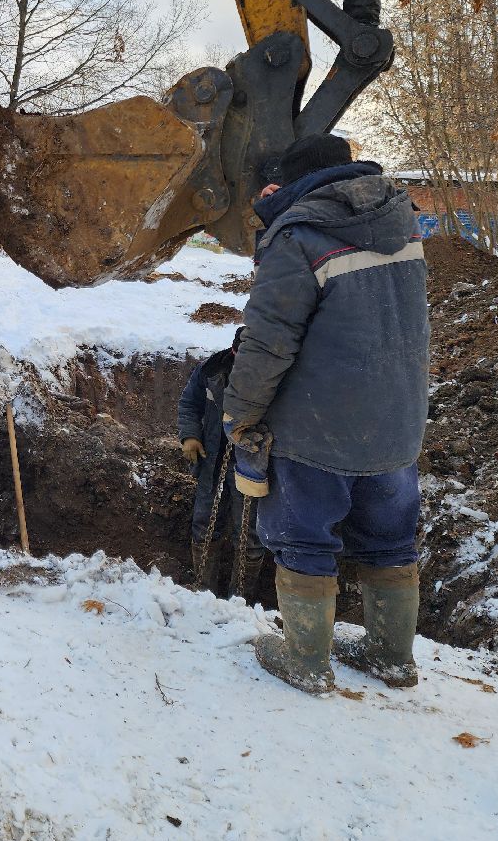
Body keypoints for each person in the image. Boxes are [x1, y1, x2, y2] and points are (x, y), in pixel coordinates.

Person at [223, 133, 429, 694]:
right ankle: (392, 655)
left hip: (318, 427)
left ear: (292, 183)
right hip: (396, 421)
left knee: (304, 536)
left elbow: (268, 343)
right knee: (390, 538)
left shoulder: (301, 236)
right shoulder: (402, 222)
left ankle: (305, 660)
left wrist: (239, 413)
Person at [177, 327, 267, 598]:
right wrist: (190, 436)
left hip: (251, 465)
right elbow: (189, 404)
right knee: (204, 525)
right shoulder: (211, 369)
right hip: (213, 460)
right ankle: (204, 592)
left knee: (249, 535)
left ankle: (241, 600)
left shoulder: (274, 377)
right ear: (233, 351)